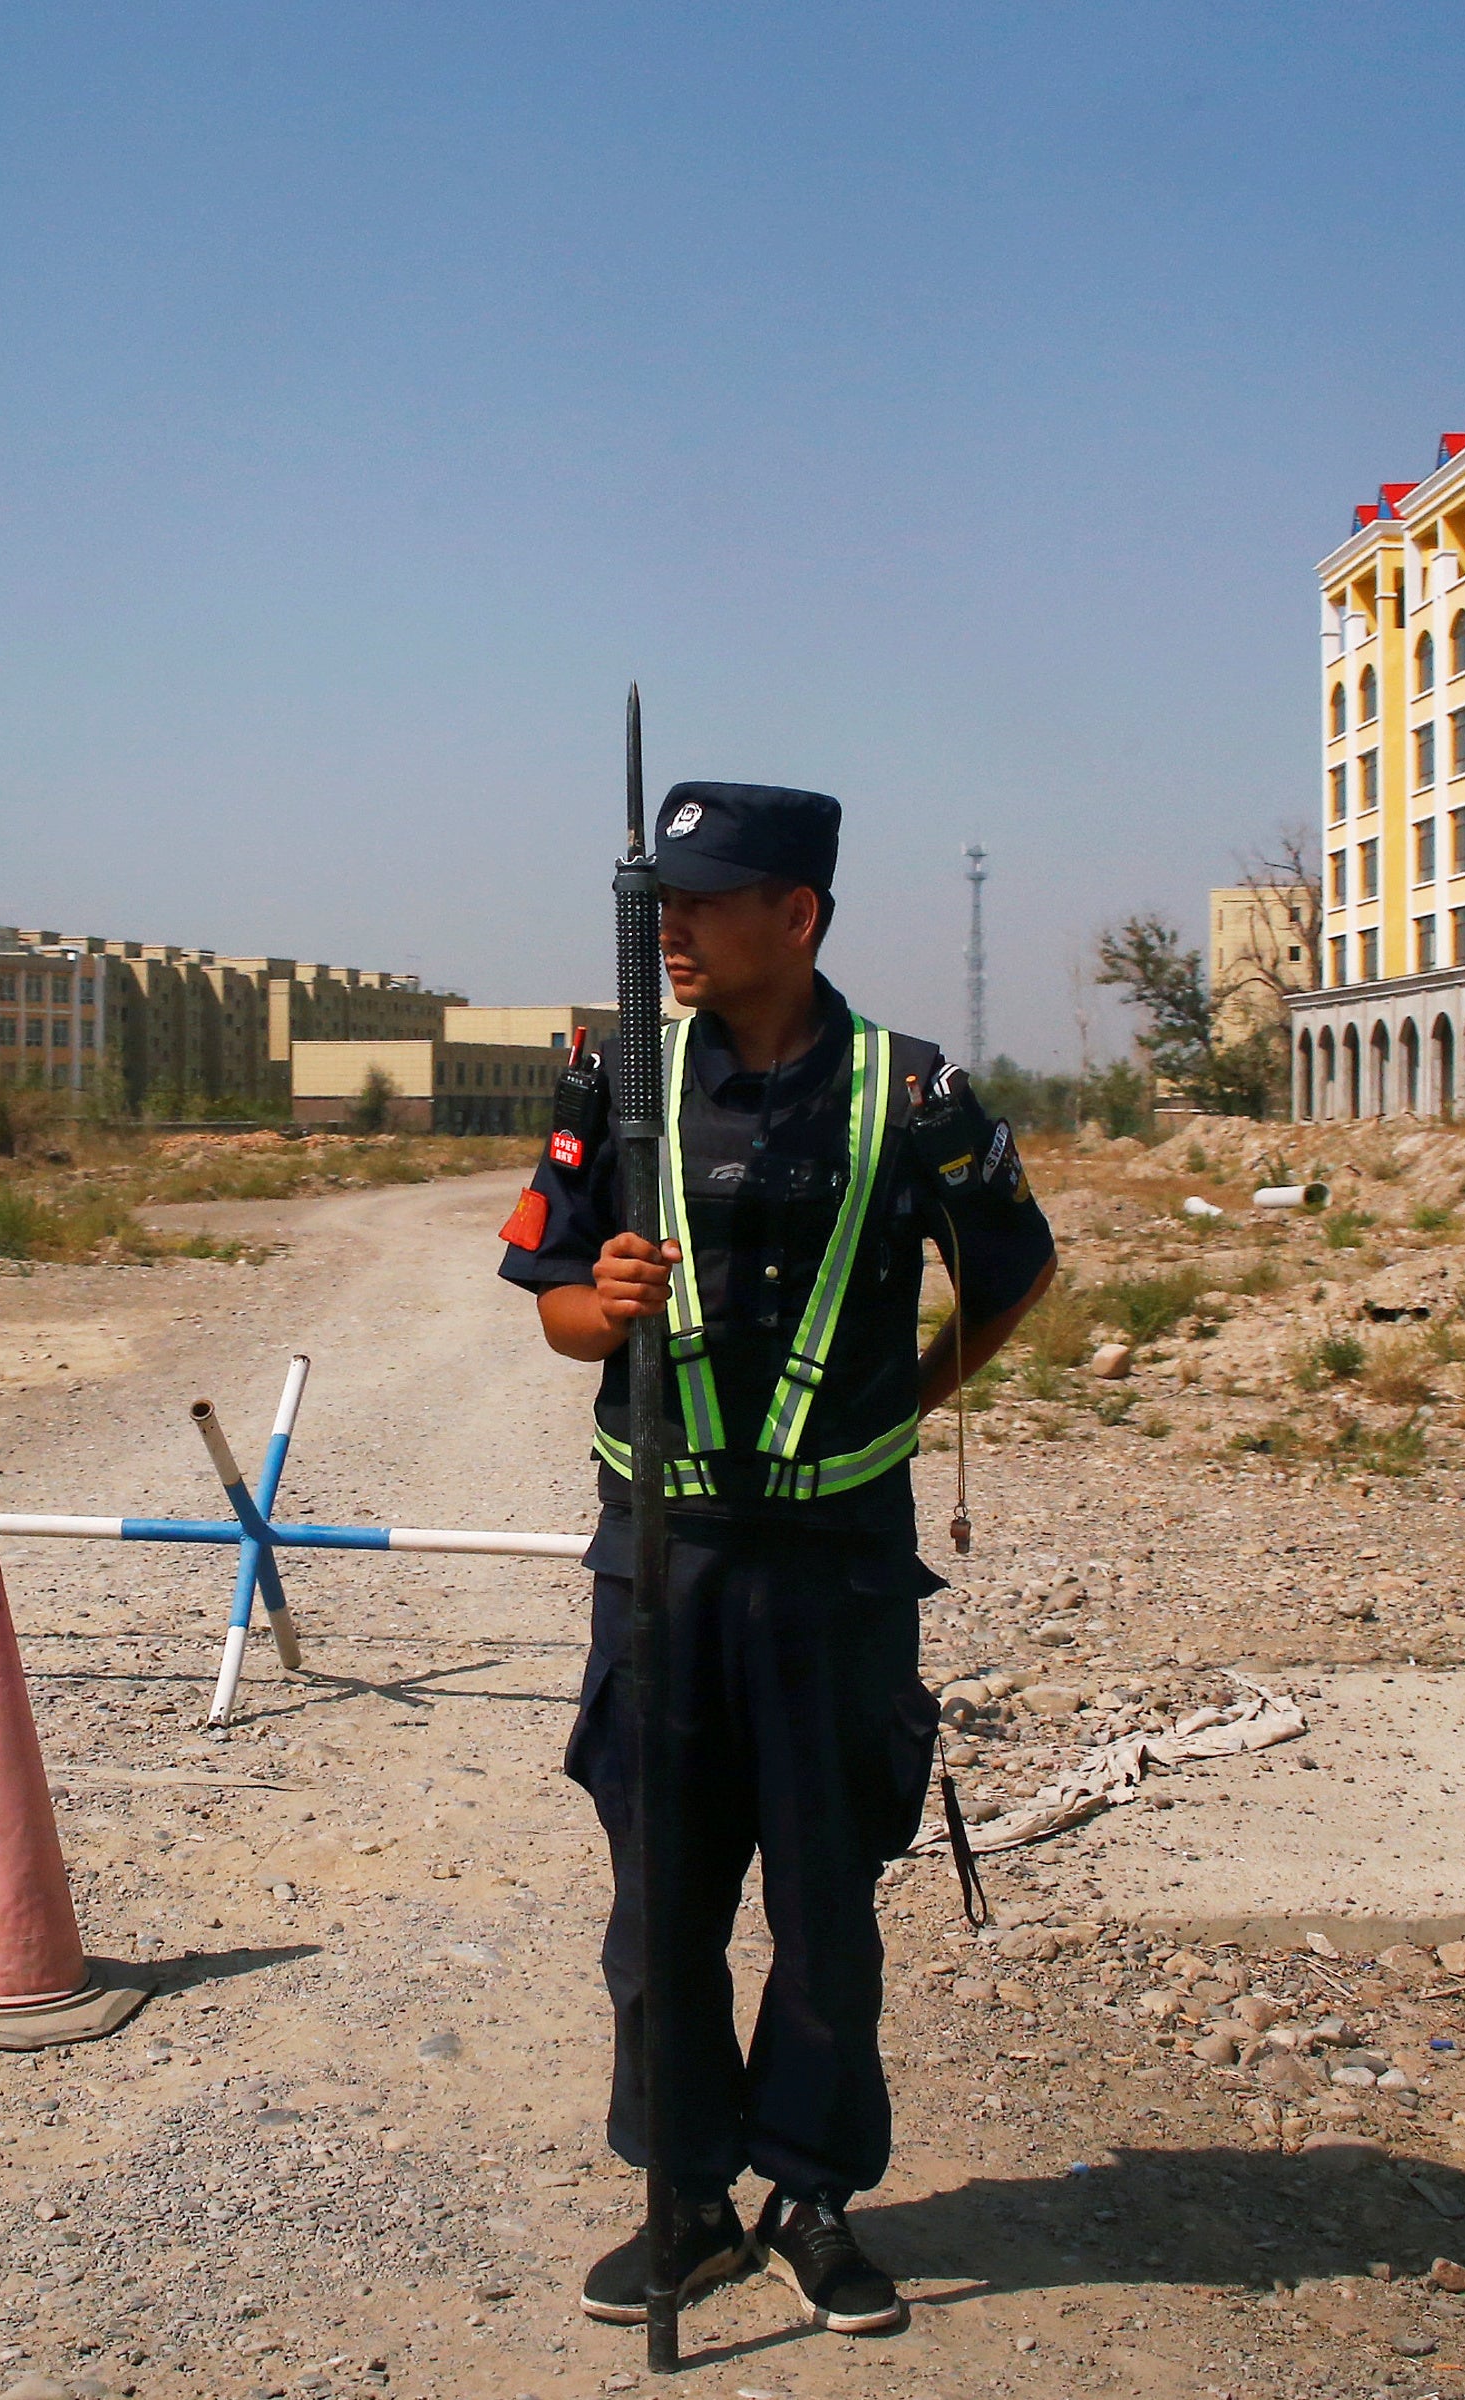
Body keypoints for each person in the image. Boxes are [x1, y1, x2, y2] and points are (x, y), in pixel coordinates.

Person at [496, 781, 1054, 2337]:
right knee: (660, 1910)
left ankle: (812, 2198)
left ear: (796, 915)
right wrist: (598, 1308)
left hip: (836, 1571)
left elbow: (1018, 1270)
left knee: (824, 1906)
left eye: (703, 899)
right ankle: (684, 2203)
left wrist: (904, 1406)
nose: (667, 926)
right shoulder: (617, 1078)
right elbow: (547, 1300)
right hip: (661, 1560)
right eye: (656, 900)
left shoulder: (913, 1092)